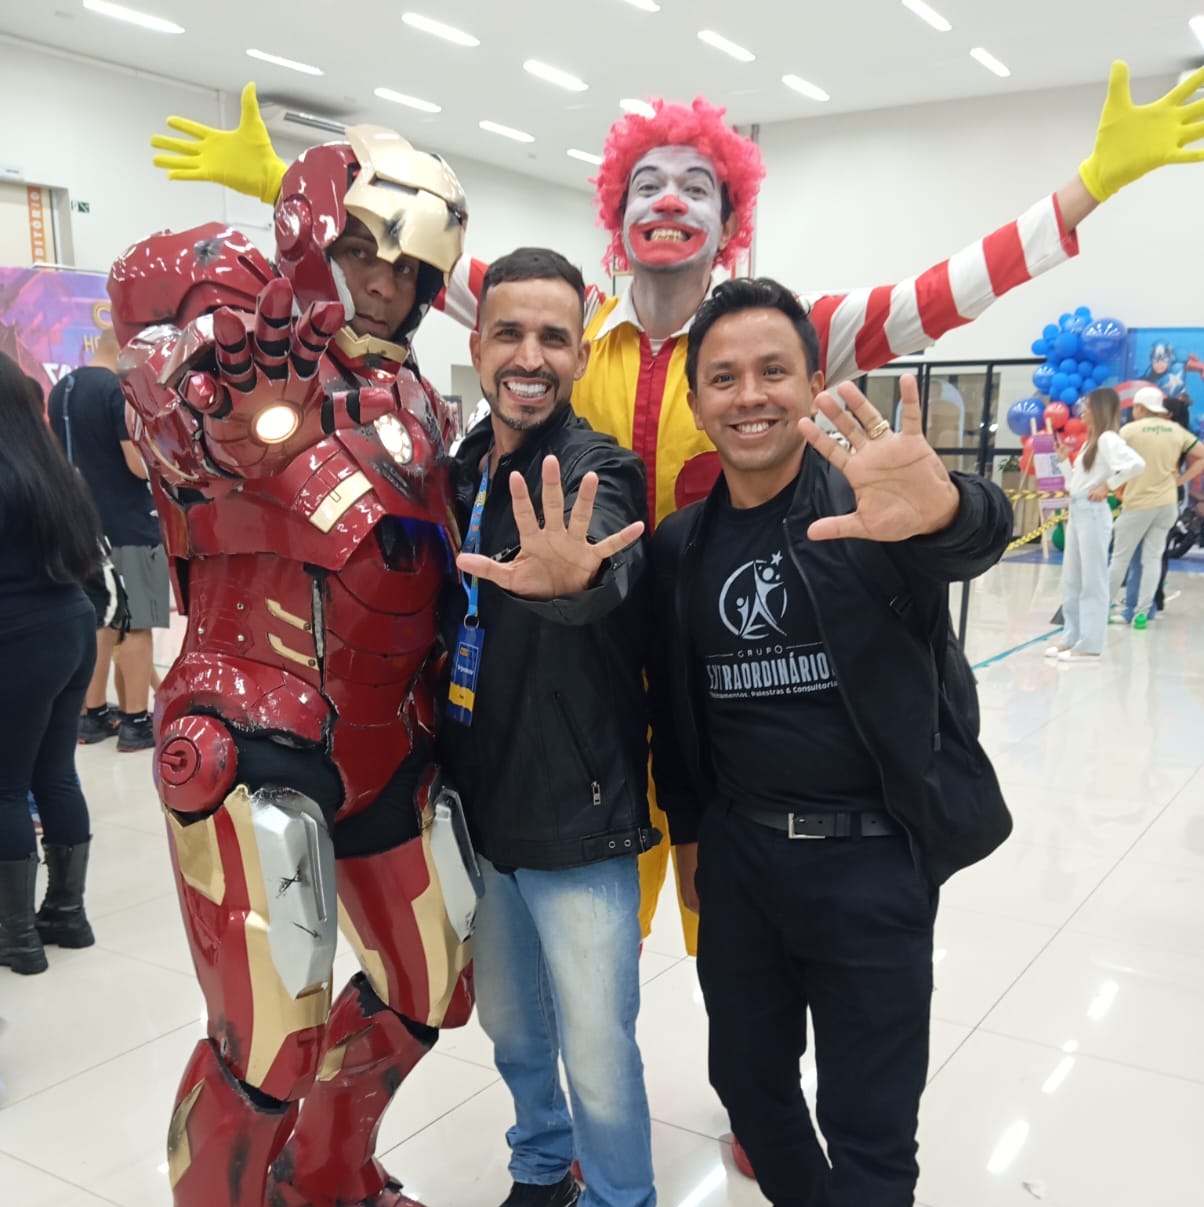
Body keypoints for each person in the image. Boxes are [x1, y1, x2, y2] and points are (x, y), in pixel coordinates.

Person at [145, 60, 1204, 959]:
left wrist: (1087, 189)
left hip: (733, 674)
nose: (669, 198)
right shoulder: (570, 330)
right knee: (594, 924)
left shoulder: (772, 337)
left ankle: (751, 1075)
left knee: (729, 921)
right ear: (615, 218)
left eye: (696, 185)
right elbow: (429, 264)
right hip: (587, 679)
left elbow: (942, 292)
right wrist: (287, 186)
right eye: (646, 182)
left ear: (730, 222)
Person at [108, 122, 478, 1207]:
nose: (386, 280)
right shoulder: (239, 333)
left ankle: (318, 1180)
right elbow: (174, 394)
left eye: (413, 264)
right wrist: (207, 385)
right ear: (322, 237)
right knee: (269, 1029)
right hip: (252, 720)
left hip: (390, 739)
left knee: (436, 982)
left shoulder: (416, 396)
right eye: (368, 247)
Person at [646, 278, 1014, 1207]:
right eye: (724, 377)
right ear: (698, 402)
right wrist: (694, 843)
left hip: (870, 872)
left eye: (773, 371)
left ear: (811, 385)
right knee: (744, 1079)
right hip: (746, 864)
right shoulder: (681, 546)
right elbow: (677, 713)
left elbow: (973, 532)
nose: (750, 396)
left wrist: (953, 508)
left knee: (871, 1130)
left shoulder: (872, 505)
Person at [443, 248, 656, 1207]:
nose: (530, 357)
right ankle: (544, 1169)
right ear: (478, 343)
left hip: (578, 811)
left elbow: (603, 567)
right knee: (514, 1026)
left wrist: (576, 579)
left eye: (554, 337)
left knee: (598, 1046)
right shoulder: (461, 466)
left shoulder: (597, 469)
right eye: (509, 333)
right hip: (481, 814)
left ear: (580, 352)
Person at [0, 353, 102, 973]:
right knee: (56, 774)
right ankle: (67, 913)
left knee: (5, 786)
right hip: (71, 624)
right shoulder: (52, 470)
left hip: (17, 635)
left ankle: (15, 937)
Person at [48, 329, 167, 752]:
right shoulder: (119, 391)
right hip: (130, 523)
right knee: (140, 623)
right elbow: (136, 465)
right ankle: (136, 721)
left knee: (102, 621)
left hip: (84, 524)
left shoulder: (61, 389)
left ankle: (93, 714)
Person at [1043, 388, 1145, 662]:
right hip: (1078, 509)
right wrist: (1064, 462)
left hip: (1093, 514)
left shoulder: (1109, 439)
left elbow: (1137, 464)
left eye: (1087, 406)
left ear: (1099, 409)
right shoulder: (1091, 442)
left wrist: (1108, 485)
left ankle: (1089, 643)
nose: (1082, 411)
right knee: (1072, 579)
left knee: (1093, 579)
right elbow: (1074, 484)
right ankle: (1071, 636)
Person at [1108, 386, 1204, 629]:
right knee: (1152, 559)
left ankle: (1102, 608)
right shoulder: (1176, 430)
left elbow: (1110, 460)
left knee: (1120, 558)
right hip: (1167, 504)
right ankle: (1142, 614)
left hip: (1138, 503)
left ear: (1140, 408)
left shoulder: (1129, 430)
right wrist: (1180, 481)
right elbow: (1202, 455)